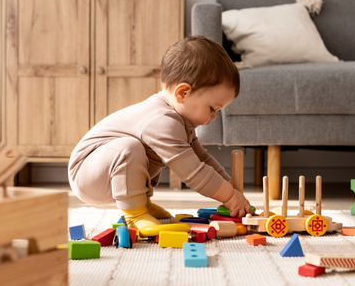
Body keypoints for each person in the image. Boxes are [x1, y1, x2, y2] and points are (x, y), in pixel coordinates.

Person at [68, 35, 253, 229]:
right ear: (183, 93)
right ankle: (135, 214)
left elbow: (202, 160)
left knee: (134, 149)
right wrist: (230, 197)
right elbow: (193, 172)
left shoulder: (180, 122)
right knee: (129, 148)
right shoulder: (162, 122)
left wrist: (230, 185)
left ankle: (141, 204)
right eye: (213, 109)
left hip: (103, 171)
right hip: (88, 174)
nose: (214, 117)